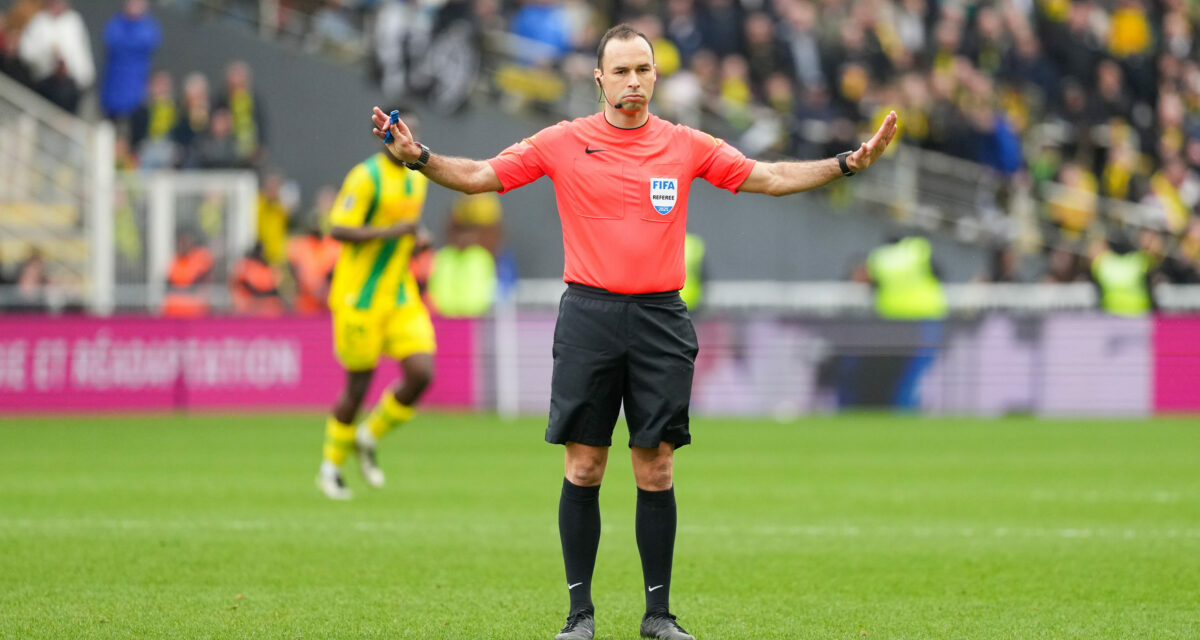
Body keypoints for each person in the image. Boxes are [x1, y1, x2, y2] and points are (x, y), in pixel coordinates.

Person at [370, 24, 897, 640]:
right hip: (589, 315)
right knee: (585, 465)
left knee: (656, 468)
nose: (633, 82)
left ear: (656, 76)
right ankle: (579, 616)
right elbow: (483, 175)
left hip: (660, 319)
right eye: (620, 71)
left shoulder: (684, 144)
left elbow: (769, 177)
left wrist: (846, 163)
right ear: (598, 79)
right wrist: (422, 158)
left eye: (642, 70)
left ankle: (658, 616)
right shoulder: (563, 142)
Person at [316, 108, 437, 501]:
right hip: (360, 297)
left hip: (399, 293)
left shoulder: (418, 176)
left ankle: (368, 437)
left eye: (413, 133)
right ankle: (330, 468)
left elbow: (407, 227)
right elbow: (336, 228)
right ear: (385, 135)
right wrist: (392, 232)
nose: (408, 139)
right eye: (401, 131)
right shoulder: (365, 177)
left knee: (421, 372)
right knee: (358, 385)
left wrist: (416, 238)